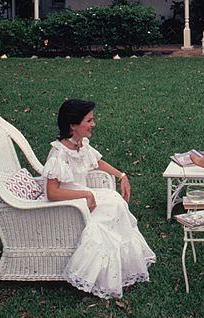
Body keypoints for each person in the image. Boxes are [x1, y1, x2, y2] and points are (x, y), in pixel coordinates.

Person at [43, 99, 156, 299]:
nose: (93, 124)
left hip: (85, 196)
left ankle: (121, 267)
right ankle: (101, 272)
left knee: (116, 201)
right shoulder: (59, 154)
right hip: (70, 204)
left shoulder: (80, 145)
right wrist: (86, 194)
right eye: (89, 120)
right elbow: (52, 193)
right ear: (73, 125)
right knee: (110, 210)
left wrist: (121, 176)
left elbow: (97, 162)